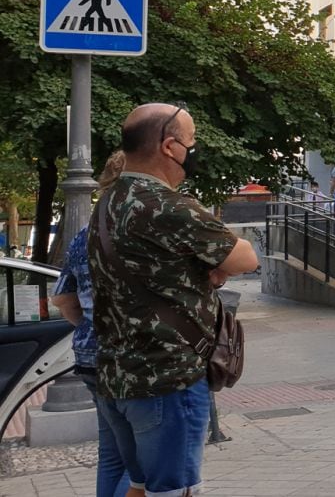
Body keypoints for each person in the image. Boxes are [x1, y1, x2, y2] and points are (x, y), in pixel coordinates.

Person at [88, 103, 259, 497]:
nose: (194, 148)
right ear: (170, 147)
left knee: (138, 485)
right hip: (168, 380)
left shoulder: (108, 203)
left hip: (117, 377)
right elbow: (246, 257)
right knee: (172, 489)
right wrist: (214, 270)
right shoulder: (166, 205)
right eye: (192, 140)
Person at [52, 150, 134, 497]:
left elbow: (63, 300)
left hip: (88, 356)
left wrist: (88, 326)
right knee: (144, 463)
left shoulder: (82, 235)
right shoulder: (145, 228)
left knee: (112, 454)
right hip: (133, 361)